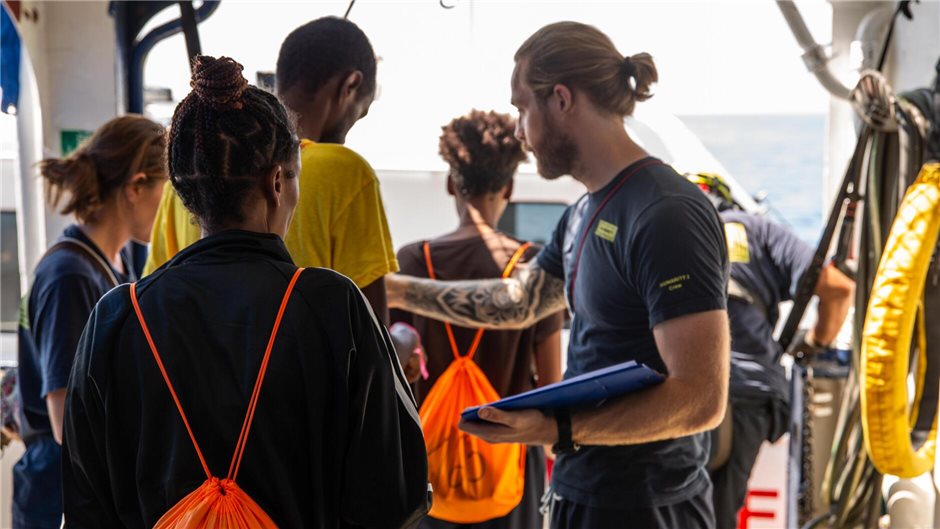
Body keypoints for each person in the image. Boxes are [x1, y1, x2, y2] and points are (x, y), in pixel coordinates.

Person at [61, 56, 429, 529]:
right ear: (278, 183)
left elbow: (87, 505)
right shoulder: (333, 305)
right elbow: (395, 494)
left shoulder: (117, 316)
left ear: (183, 191)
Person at [386, 22, 730, 529]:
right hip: (580, 492)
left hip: (649, 506)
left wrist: (556, 429)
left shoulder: (667, 214)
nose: (520, 133)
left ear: (562, 99)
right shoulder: (583, 212)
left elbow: (701, 399)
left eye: (523, 108)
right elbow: (519, 301)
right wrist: (392, 286)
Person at [143, 17, 405, 342]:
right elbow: (373, 341)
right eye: (361, 111)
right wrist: (406, 341)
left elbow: (155, 307)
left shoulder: (186, 182)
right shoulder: (345, 170)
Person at [391, 109, 564, 529]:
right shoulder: (533, 268)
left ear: (451, 183)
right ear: (508, 187)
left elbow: (394, 369)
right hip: (511, 471)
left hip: (430, 470)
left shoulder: (413, 259)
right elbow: (552, 386)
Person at [15, 115, 167, 529]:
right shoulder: (70, 275)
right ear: (136, 187)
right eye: (166, 193)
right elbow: (67, 422)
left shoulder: (116, 266)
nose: (172, 210)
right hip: (59, 489)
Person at [686, 173, 855, 529]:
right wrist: (816, 344)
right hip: (749, 397)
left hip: (678, 395)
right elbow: (838, 289)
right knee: (717, 514)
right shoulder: (756, 231)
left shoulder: (665, 232)